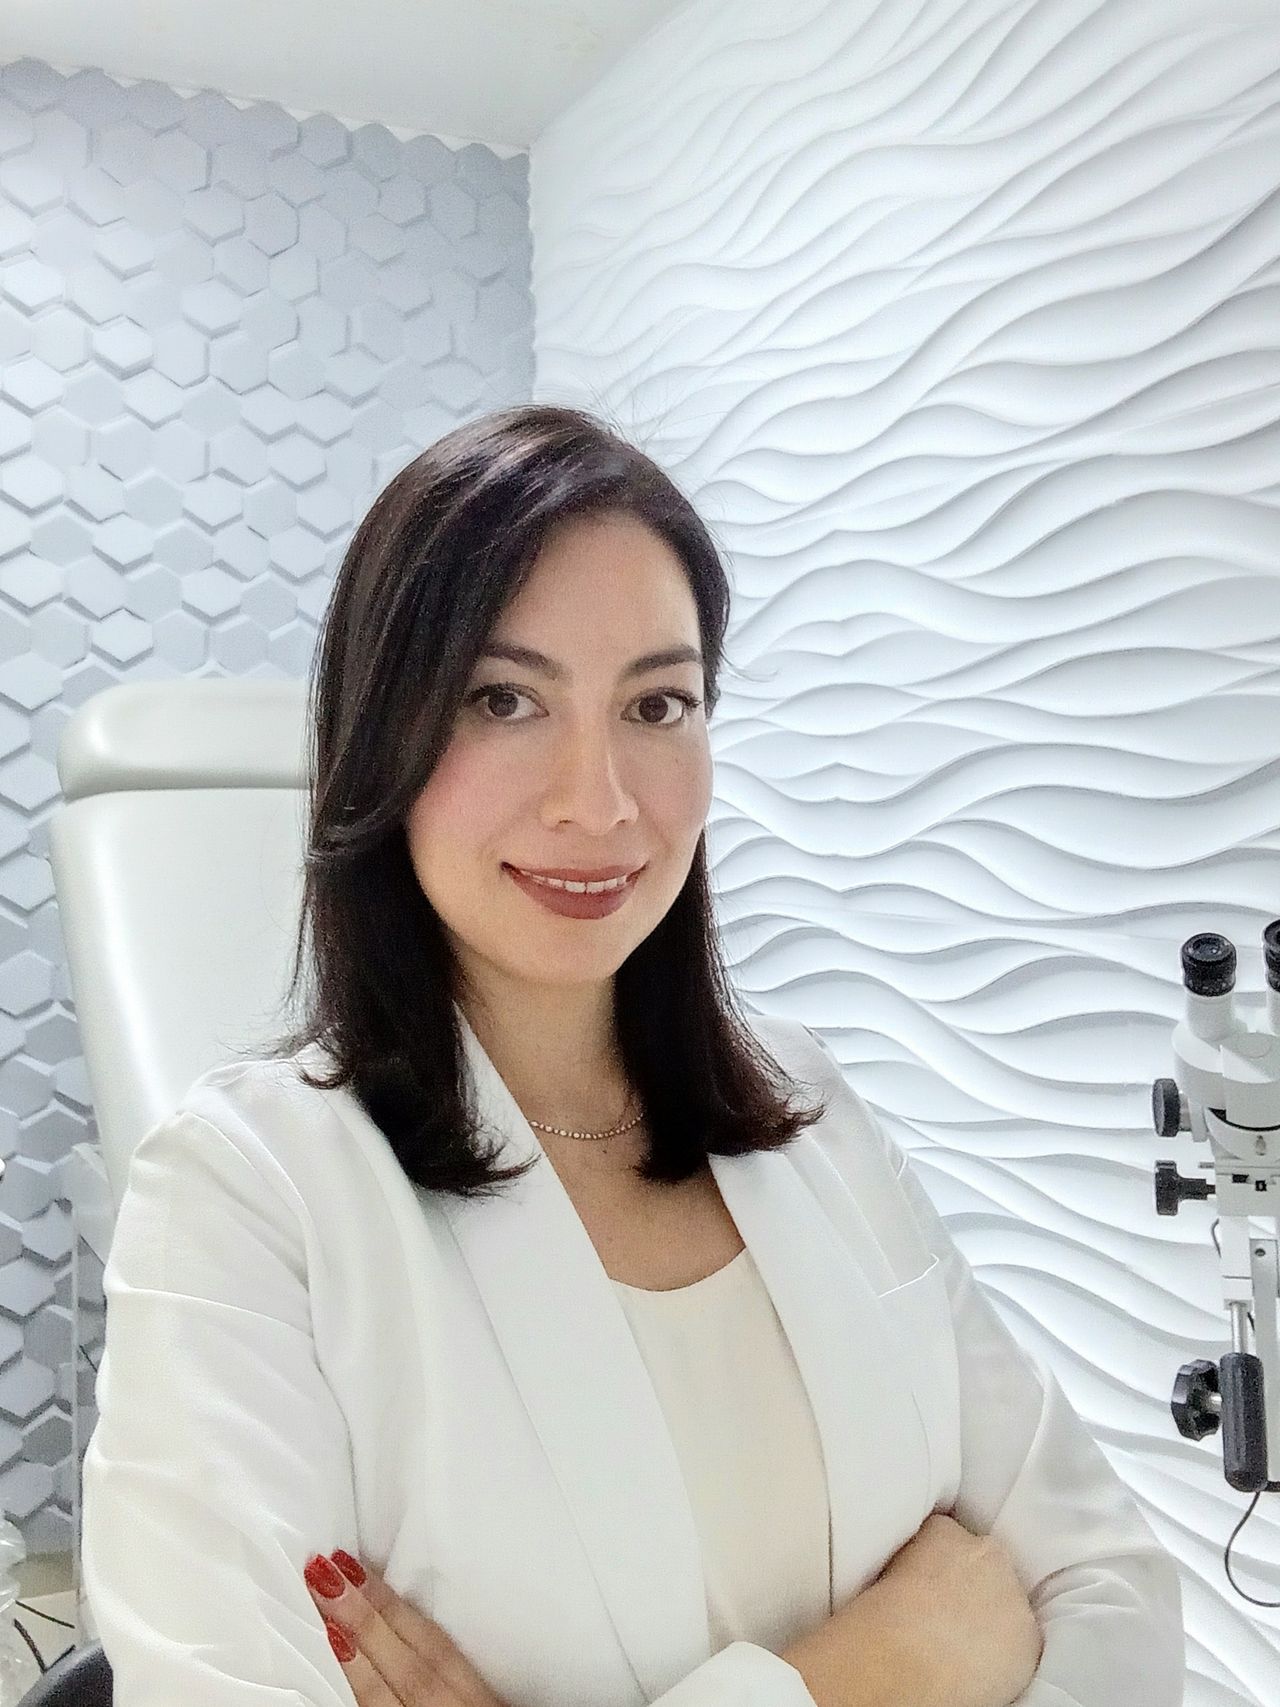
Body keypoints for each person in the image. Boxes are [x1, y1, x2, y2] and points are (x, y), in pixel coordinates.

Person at [80, 404, 1185, 1707]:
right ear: (386, 732)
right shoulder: (244, 1197)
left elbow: (1112, 1591)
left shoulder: (811, 1107)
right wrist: (878, 1673)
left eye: (659, 704)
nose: (599, 800)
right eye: (504, 699)